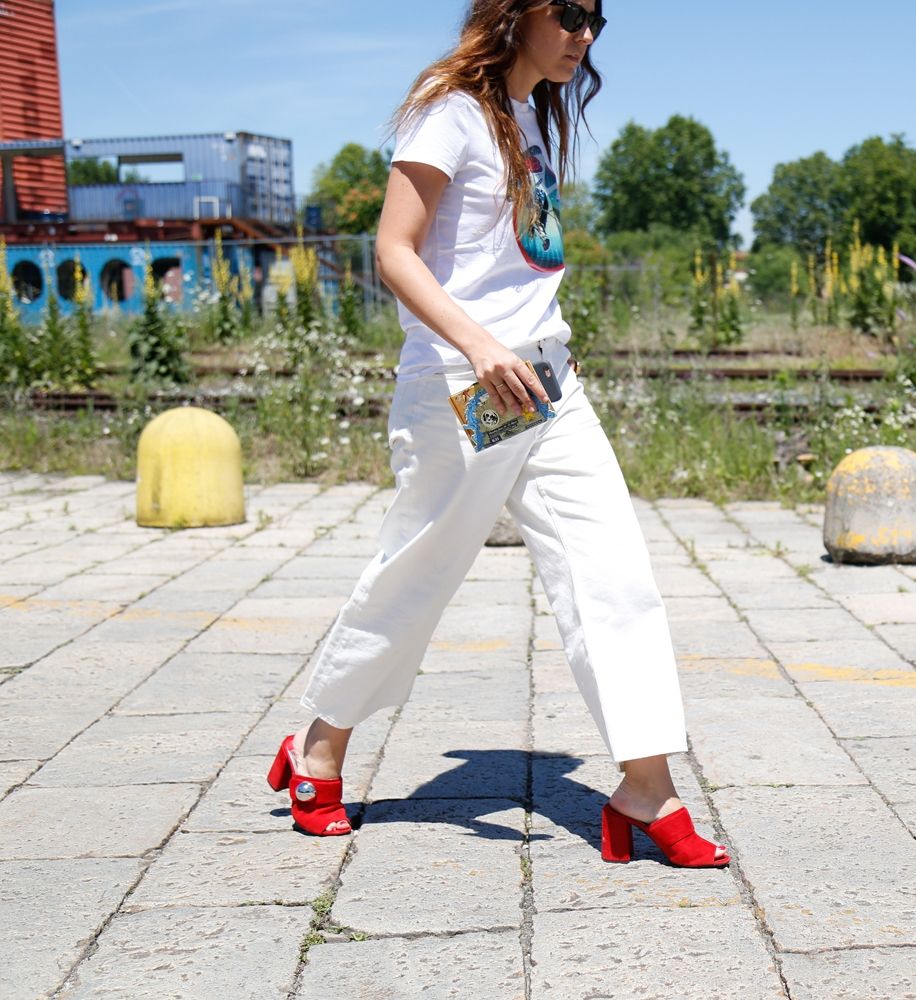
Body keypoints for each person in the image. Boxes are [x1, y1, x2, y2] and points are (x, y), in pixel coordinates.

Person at [265, 0, 728, 867]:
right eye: (570, 13)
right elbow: (394, 250)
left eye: (598, 19)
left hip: (547, 384)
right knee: (421, 570)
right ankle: (319, 747)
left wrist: (540, 340)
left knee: (613, 572)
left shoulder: (531, 117)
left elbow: (515, 263)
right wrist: (480, 344)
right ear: (515, 12)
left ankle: (647, 787)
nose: (585, 34)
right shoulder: (450, 112)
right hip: (462, 383)